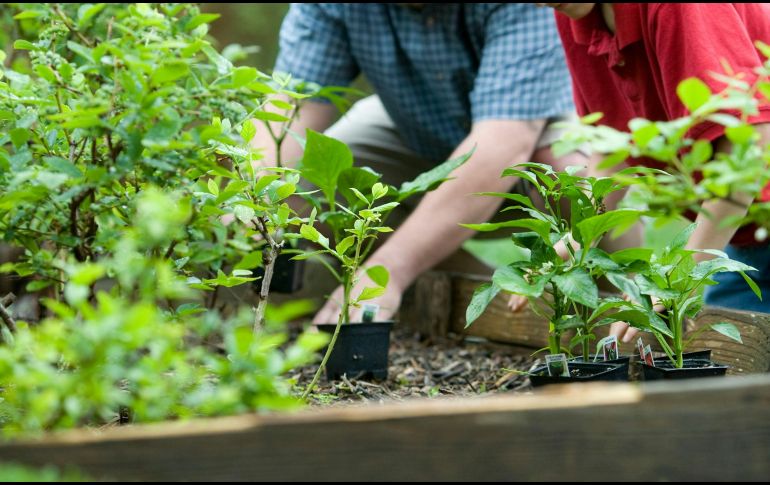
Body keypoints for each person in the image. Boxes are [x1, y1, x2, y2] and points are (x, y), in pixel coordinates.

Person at [251, 4, 580, 324]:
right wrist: (250, 201)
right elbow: (291, 107)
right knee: (305, 185)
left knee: (578, 183)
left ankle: (609, 307)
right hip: (413, 123)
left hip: (534, 125)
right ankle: (474, 288)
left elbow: (501, 144)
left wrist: (387, 271)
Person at [538, 3, 770, 342]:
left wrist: (677, 274)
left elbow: (751, 142)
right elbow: (614, 140)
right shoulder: (576, 13)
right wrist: (578, 239)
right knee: (726, 358)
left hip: (749, 227)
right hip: (747, 241)